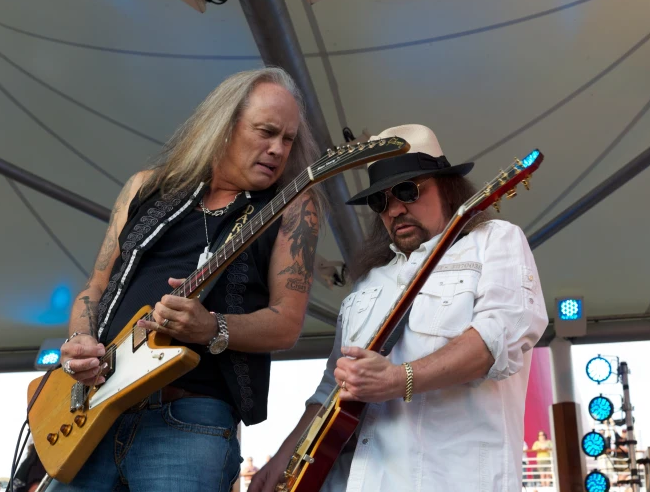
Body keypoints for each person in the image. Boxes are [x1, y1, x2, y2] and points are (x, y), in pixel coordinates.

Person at [52, 68, 320, 492]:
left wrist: (213, 326)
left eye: (287, 139)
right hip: (92, 414)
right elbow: (95, 288)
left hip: (190, 419)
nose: (277, 149)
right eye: (266, 132)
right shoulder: (145, 187)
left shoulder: (292, 206)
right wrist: (80, 343)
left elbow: (287, 323)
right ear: (225, 127)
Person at [249, 124, 549, 492]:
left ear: (447, 187)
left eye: (407, 191)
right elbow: (334, 385)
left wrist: (397, 379)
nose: (394, 209)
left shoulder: (495, 240)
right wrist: (283, 457)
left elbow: (497, 339)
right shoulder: (367, 285)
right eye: (381, 201)